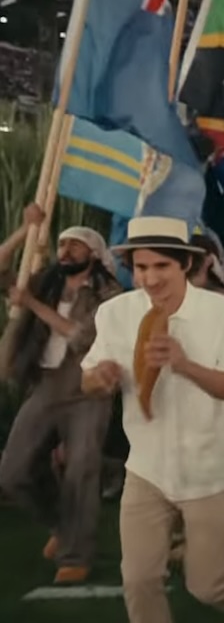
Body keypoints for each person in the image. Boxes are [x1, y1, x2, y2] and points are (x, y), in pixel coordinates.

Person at [80, 216, 224, 622]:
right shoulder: (114, 313)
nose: (149, 278)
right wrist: (100, 379)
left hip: (211, 471)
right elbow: (89, 379)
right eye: (141, 267)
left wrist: (185, 366)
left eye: (161, 266)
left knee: (207, 584)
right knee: (138, 579)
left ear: (186, 264)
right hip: (147, 469)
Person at [0, 204, 121, 584]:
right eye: (62, 244)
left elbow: (81, 335)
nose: (65, 250)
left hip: (88, 386)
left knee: (82, 468)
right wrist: (25, 230)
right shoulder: (44, 282)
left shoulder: (109, 292)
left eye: (75, 245)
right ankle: (60, 526)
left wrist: (30, 304)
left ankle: (75, 556)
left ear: (94, 254)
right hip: (45, 383)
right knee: (13, 471)